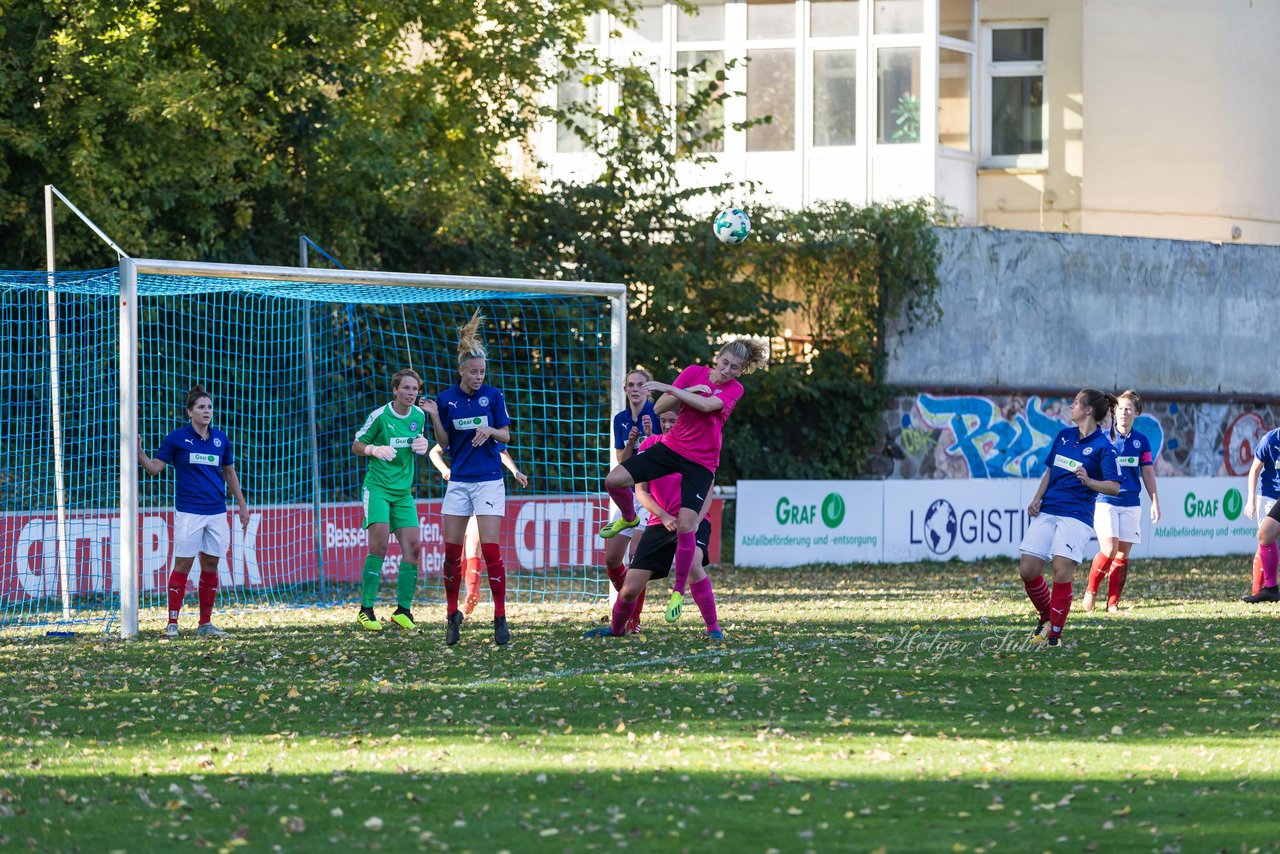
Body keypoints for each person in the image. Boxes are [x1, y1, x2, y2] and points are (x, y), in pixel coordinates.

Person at [599, 339, 767, 623]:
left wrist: (673, 389)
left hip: (701, 462)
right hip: (672, 449)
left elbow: (705, 405)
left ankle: (678, 594)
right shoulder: (692, 372)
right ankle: (628, 518)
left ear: (740, 371)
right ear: (718, 357)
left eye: (734, 368)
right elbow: (663, 406)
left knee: (688, 527)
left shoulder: (734, 389)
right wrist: (682, 389)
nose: (727, 371)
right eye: (725, 363)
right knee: (614, 480)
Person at [585, 405, 722, 639]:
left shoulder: (699, 448)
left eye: (673, 420)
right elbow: (641, 492)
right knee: (629, 590)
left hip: (693, 522)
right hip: (659, 521)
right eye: (664, 420)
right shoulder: (651, 446)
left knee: (692, 566)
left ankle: (713, 629)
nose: (667, 425)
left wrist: (695, 521)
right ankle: (616, 630)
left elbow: (708, 491)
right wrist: (665, 516)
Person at [424, 310, 514, 645]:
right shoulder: (447, 399)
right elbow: (444, 444)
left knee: (491, 551)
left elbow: (505, 436)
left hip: (489, 479)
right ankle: (451, 617)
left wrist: (489, 429)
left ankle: (500, 619)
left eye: (482, 372)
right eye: (473, 372)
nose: (479, 376)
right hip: (459, 482)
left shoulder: (494, 395)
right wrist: (434, 416)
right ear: (461, 371)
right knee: (451, 553)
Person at [138, 384, 249, 638]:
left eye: (209, 407)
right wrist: (139, 452)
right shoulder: (177, 438)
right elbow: (155, 468)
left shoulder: (221, 438)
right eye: (201, 407)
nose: (206, 411)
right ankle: (172, 623)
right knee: (184, 564)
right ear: (190, 412)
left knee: (211, 563)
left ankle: (205, 623)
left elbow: (229, 472)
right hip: (189, 512)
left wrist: (242, 505)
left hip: (217, 512)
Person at [1017, 389, 1121, 647]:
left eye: (1075, 403)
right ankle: (1046, 617)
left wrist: (1089, 481)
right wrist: (1036, 498)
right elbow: (1050, 472)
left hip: (1076, 515)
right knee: (1027, 570)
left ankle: (1055, 636)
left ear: (1088, 410)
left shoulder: (1104, 447)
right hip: (1049, 509)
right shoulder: (1063, 436)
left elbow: (1114, 487)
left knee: (1061, 573)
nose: (1071, 406)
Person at [351, 369, 432, 632]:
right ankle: (366, 610)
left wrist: (422, 444)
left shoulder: (419, 416)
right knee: (380, 545)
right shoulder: (379, 416)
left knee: (414, 548)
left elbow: (416, 441)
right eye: (406, 388)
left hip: (403, 492)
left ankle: (403, 610)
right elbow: (356, 445)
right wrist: (373, 449)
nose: (411, 393)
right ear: (395, 389)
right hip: (378, 489)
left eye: (415, 389)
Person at [1083, 390, 1160, 613]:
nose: (1124, 413)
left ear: (1136, 413)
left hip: (1131, 503)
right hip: (1106, 500)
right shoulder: (1102, 438)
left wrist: (1155, 500)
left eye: (1128, 409)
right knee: (1109, 549)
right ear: (1113, 412)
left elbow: (1147, 472)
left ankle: (1113, 602)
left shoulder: (1141, 441)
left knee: (1122, 553)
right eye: (1120, 409)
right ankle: (1091, 590)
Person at [429, 442, 529, 615]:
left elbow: (502, 449)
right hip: (460, 492)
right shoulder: (458, 428)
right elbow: (434, 452)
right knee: (458, 554)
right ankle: (462, 600)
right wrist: (445, 471)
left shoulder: (488, 429)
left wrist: (515, 471)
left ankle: (472, 593)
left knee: (473, 548)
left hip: (485, 491)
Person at [602, 371, 665, 633]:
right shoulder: (621, 419)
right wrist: (631, 442)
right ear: (625, 389)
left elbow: (667, 455)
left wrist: (651, 437)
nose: (635, 389)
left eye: (641, 385)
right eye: (631, 385)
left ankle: (632, 618)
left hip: (651, 494)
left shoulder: (660, 415)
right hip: (628, 497)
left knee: (636, 557)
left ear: (648, 390)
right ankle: (628, 602)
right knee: (612, 558)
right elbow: (622, 463)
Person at [1242, 425, 1280, 603]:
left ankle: (1268, 590)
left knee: (1265, 537)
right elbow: (1254, 470)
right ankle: (1261, 590)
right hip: (1268, 495)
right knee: (1264, 539)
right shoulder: (1270, 439)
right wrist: (1250, 500)